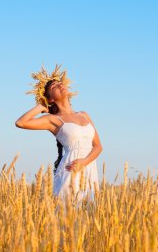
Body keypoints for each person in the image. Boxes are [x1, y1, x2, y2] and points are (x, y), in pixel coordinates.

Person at [15, 64, 103, 206]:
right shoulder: (53, 119)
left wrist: (84, 162)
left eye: (59, 83)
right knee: (66, 216)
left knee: (89, 217)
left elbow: (98, 146)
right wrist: (40, 106)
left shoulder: (84, 114)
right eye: (54, 87)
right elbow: (21, 123)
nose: (59, 85)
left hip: (89, 170)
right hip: (70, 170)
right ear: (50, 99)